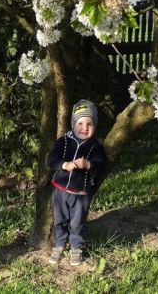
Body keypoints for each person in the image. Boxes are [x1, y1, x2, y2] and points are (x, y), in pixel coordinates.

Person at [47, 99, 106, 266]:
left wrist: (88, 164)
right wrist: (63, 165)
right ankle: (59, 244)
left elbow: (101, 165)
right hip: (60, 189)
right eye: (80, 123)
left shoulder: (95, 146)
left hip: (81, 192)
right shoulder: (64, 141)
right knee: (60, 219)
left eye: (89, 124)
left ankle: (76, 247)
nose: (84, 128)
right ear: (73, 124)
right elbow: (52, 159)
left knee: (78, 221)